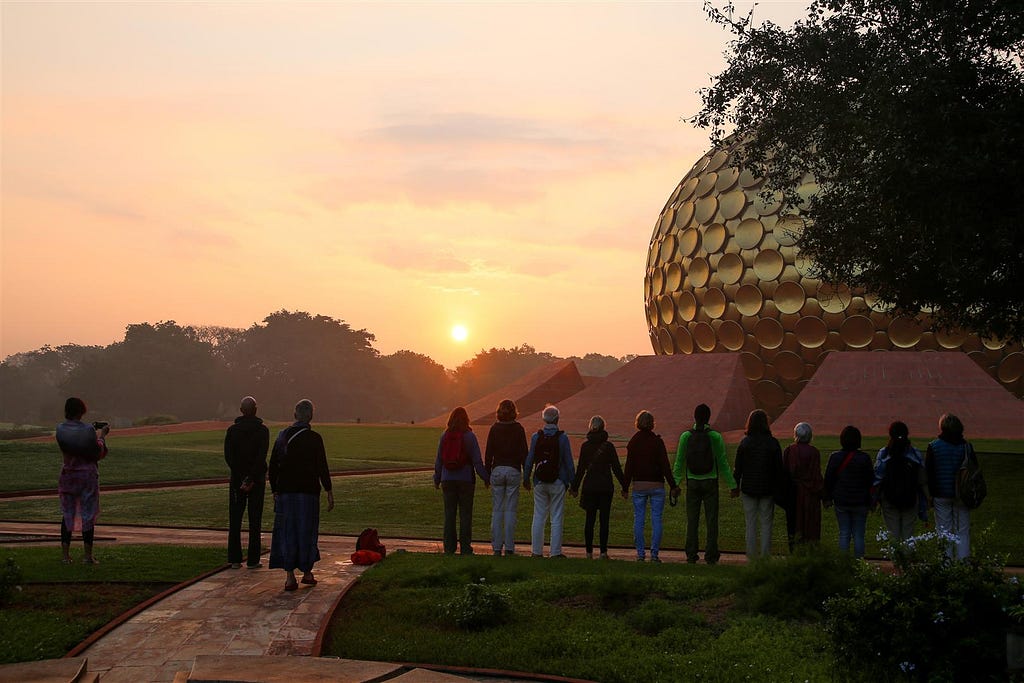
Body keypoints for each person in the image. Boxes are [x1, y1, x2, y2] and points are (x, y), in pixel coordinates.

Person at [268, 399, 334, 591]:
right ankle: (307, 572)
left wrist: (275, 489)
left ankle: (289, 577)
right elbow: (322, 466)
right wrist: (329, 490)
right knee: (306, 531)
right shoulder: (315, 439)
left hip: (286, 493)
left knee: (288, 532)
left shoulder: (282, 436)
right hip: (308, 493)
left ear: (295, 415)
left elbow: (273, 466)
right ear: (311, 416)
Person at [673, 403, 738, 564]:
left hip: (693, 481)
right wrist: (732, 485)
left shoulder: (685, 436)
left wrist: (675, 484)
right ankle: (711, 554)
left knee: (692, 520)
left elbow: (679, 463)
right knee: (711, 521)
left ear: (694, 417)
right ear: (709, 417)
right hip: (710, 481)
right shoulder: (715, 436)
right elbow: (723, 463)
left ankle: (691, 553)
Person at [56, 397, 108, 565]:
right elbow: (96, 453)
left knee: (67, 514)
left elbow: (74, 441)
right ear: (81, 411)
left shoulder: (60, 429)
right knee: (88, 514)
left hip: (68, 475)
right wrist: (102, 436)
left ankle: (65, 556)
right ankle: (87, 556)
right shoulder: (88, 430)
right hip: (87, 476)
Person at [622, 410, 679, 562]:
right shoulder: (657, 441)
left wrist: (625, 487)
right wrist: (673, 485)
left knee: (639, 519)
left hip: (639, 485)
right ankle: (654, 554)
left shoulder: (633, 441)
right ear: (653, 423)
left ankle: (640, 554)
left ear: (638, 423)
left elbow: (629, 466)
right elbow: (665, 466)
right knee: (656, 519)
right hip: (657, 485)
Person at [433, 406, 490, 555]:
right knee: (465, 515)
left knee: (449, 515)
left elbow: (439, 460)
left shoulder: (444, 435)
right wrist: (486, 478)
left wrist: (437, 478)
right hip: (465, 479)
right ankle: (465, 548)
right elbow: (477, 461)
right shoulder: (469, 436)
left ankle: (449, 548)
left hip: (447, 479)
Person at [570, 415, 626, 559]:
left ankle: (588, 552)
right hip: (606, 486)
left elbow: (581, 469)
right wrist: (624, 486)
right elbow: (616, 468)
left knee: (590, 519)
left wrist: (574, 487)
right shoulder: (609, 446)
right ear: (603, 428)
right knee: (604, 520)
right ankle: (603, 552)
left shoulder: (585, 446)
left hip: (590, 486)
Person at [224, 396, 270, 569]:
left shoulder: (233, 431)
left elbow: (229, 457)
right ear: (256, 409)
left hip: (237, 480)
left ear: (241, 410)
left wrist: (242, 477)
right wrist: (251, 477)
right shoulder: (262, 431)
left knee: (235, 519)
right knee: (255, 519)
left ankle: (235, 558)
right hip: (256, 480)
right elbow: (261, 456)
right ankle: (253, 559)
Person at [523, 405, 575, 558]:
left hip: (539, 481)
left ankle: (536, 551)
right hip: (558, 481)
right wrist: (574, 484)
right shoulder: (562, 438)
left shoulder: (536, 437)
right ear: (557, 419)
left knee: (538, 515)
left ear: (544, 419)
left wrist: (526, 478)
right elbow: (569, 463)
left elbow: (529, 460)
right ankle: (555, 552)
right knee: (556, 517)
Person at [733, 409, 783, 560]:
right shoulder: (773, 443)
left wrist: (735, 485)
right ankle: (765, 556)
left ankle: (751, 557)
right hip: (767, 488)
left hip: (749, 488)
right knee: (766, 523)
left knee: (750, 524)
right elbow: (778, 468)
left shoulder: (745, 442)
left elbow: (738, 467)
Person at [925, 413, 973, 559]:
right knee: (962, 531)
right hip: (962, 495)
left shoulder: (934, 446)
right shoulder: (967, 447)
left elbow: (929, 473)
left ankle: (946, 565)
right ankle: (963, 565)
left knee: (944, 531)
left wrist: (930, 495)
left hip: (941, 494)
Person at [484, 399, 528, 556]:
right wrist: (527, 476)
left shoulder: (494, 428)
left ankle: (496, 547)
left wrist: (486, 475)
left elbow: (488, 453)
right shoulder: (518, 429)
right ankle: (509, 547)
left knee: (497, 510)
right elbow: (524, 454)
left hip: (497, 470)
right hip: (513, 470)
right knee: (510, 511)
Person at [823, 425, 873, 559]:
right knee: (859, 534)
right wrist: (871, 500)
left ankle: (843, 565)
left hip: (841, 501)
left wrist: (827, 498)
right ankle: (860, 566)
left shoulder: (835, 457)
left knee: (844, 533)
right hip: (861, 501)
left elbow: (828, 479)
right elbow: (870, 481)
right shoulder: (865, 458)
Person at [874, 421, 928, 543]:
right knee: (908, 536)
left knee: (893, 534)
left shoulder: (884, 453)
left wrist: (875, 499)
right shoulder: (915, 453)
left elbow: (878, 478)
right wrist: (928, 499)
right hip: (910, 498)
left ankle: (896, 560)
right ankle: (906, 561)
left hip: (889, 498)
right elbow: (922, 480)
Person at [781, 422, 824, 548]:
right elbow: (817, 475)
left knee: (794, 524)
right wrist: (824, 495)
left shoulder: (789, 450)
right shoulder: (814, 452)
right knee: (811, 523)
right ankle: (810, 551)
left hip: (794, 494)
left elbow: (785, 474)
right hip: (811, 494)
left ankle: (795, 551)